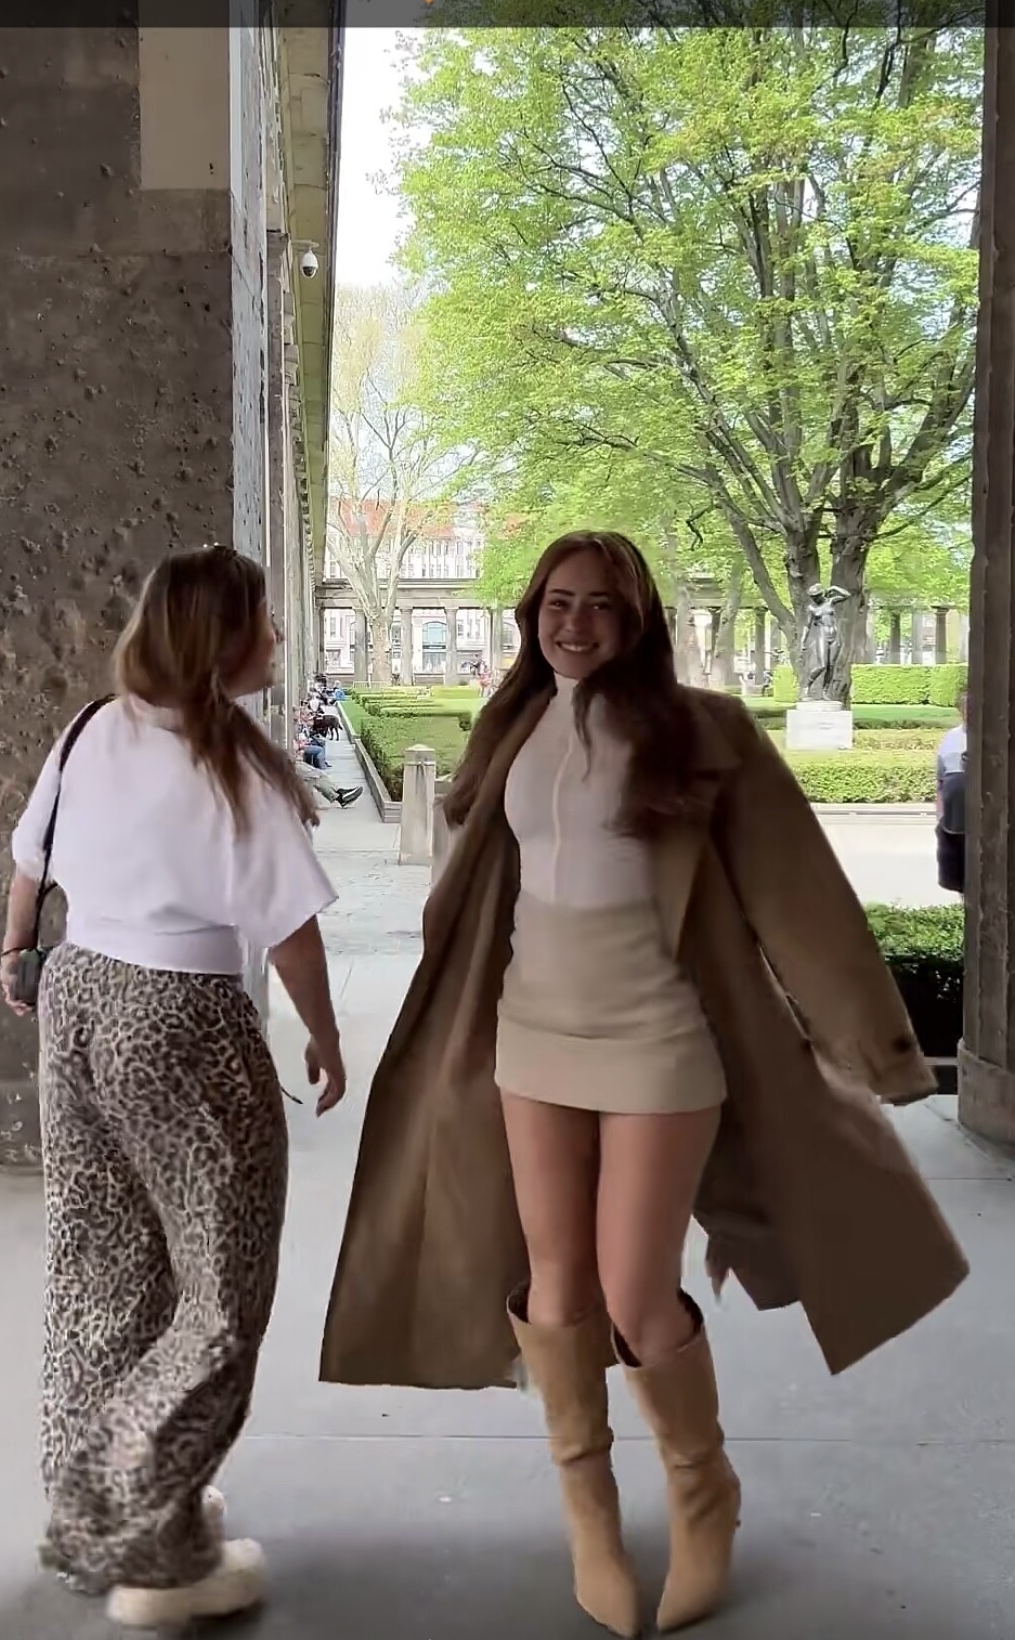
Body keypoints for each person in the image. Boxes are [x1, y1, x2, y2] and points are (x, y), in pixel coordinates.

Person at [321, 530, 967, 1639]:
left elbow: (800, 892)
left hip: (661, 1040)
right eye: (557, 602)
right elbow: (477, 874)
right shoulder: (511, 723)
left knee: (633, 1293)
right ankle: (590, 1511)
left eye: (600, 605)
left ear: (638, 620)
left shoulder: (704, 731)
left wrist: (877, 1046)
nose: (574, 623)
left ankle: (703, 1488)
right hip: (531, 1036)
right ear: (531, 614)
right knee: (556, 1286)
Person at [0, 546, 346, 1630]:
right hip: (181, 1016)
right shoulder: (231, 767)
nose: (276, 639)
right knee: (220, 1288)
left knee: (101, 1265)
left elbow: (29, 861)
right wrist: (326, 1035)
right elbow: (289, 929)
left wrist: (16, 956)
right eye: (265, 622)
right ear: (220, 638)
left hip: (78, 998)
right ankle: (151, 1543)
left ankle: (101, 1504)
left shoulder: (89, 729)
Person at [935, 689, 968, 897]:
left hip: (979, 822)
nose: (969, 712)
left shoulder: (992, 737)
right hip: (953, 821)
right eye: (965, 707)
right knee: (957, 875)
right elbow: (940, 780)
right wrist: (939, 812)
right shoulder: (951, 738)